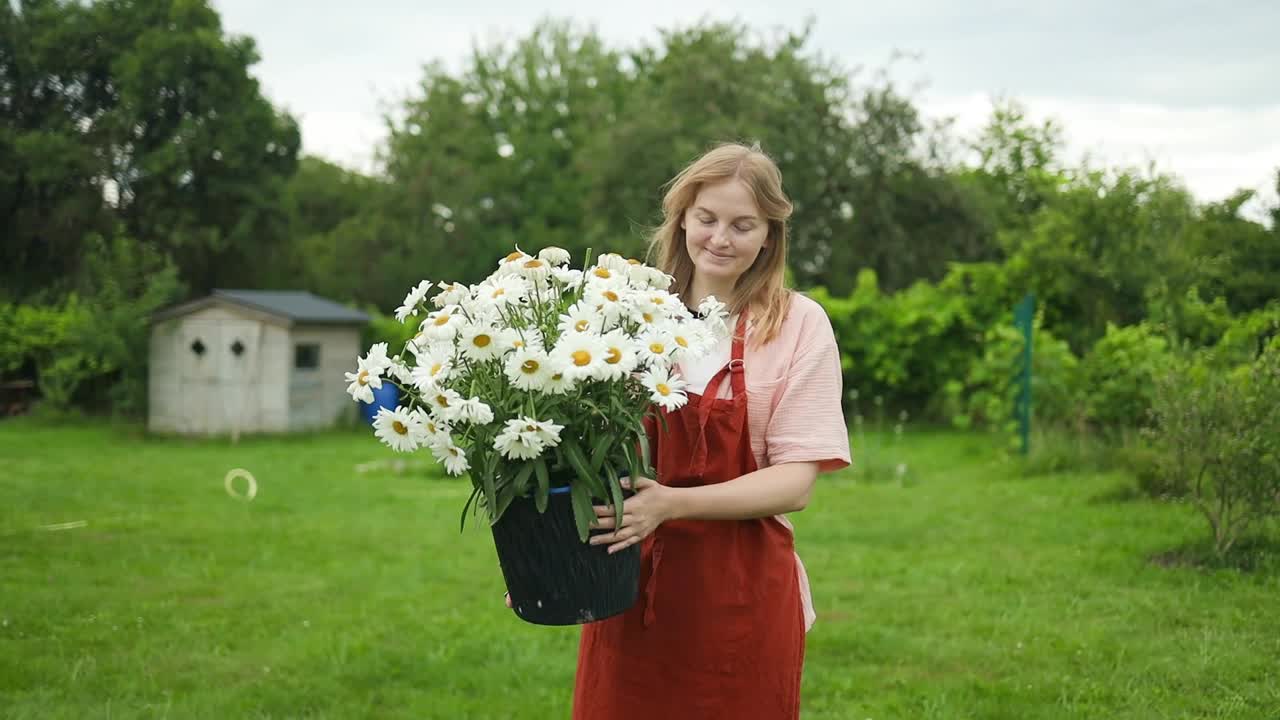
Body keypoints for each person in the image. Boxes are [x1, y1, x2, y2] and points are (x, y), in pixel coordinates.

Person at [571, 142, 851, 719]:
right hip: (630, 586)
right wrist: (549, 555)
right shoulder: (630, 312)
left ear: (769, 235)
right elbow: (577, 450)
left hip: (741, 600)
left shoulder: (799, 324)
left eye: (743, 225)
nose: (721, 238)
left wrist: (671, 504)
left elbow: (795, 484)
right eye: (707, 219)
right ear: (682, 219)